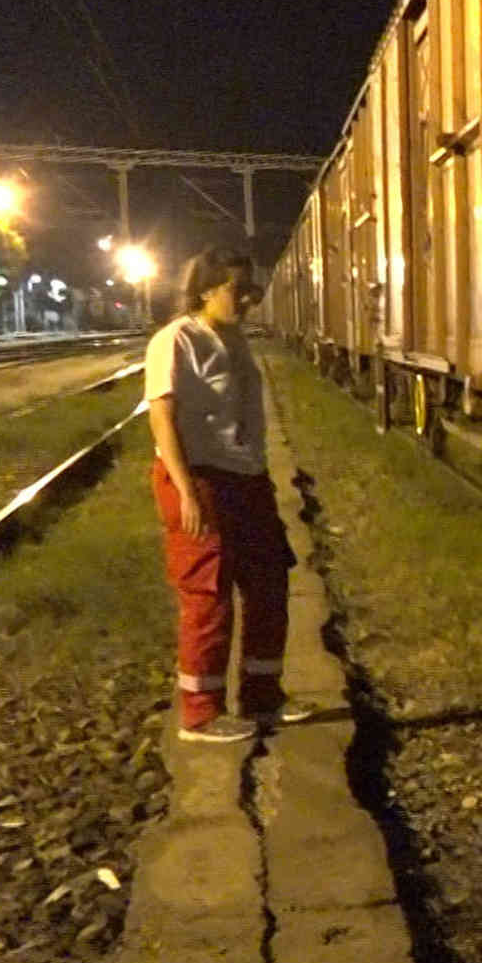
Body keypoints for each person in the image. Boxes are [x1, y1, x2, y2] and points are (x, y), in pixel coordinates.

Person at [146, 247, 314, 742]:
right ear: (205, 289)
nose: (247, 299)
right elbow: (162, 416)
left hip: (246, 476)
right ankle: (200, 713)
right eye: (237, 290)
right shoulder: (176, 340)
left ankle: (263, 696)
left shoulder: (235, 339)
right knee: (208, 595)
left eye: (251, 291)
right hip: (198, 476)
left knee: (268, 582)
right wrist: (186, 493)